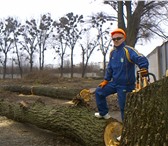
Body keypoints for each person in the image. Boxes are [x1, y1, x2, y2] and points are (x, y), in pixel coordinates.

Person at [94, 28, 149, 121]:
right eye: (114, 39)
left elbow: (141, 58)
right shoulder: (113, 53)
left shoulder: (128, 51)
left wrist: (143, 68)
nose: (116, 41)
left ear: (124, 38)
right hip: (114, 83)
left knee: (124, 108)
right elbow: (110, 68)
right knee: (99, 91)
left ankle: (125, 132)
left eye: (118, 38)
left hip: (126, 85)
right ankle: (103, 113)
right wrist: (106, 80)